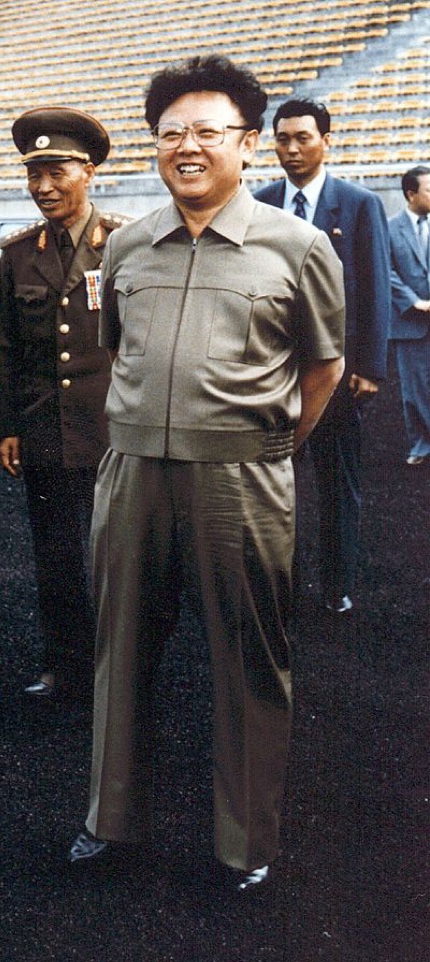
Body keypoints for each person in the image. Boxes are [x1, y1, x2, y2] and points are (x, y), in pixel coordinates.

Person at [68, 55, 345, 892]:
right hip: (132, 476)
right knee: (118, 652)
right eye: (170, 133)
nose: (187, 147)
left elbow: (324, 367)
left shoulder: (298, 247)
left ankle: (245, 841)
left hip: (240, 480)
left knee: (249, 660)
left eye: (207, 132)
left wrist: (268, 446)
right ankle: (111, 821)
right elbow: (119, 349)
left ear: (248, 143)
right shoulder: (126, 246)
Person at [0, 108, 121, 700]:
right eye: (33, 174)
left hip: (111, 430)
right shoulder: (20, 253)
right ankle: (66, 665)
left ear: (88, 172)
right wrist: (6, 427)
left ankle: (120, 668)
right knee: (57, 554)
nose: (43, 186)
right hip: (44, 430)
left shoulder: (124, 245)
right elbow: (6, 347)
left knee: (119, 558)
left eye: (56, 172)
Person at [255, 99, 390, 613]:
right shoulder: (261, 202)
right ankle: (277, 583)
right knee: (271, 485)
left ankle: (337, 586)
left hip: (337, 373)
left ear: (326, 142)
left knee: (337, 484)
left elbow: (373, 287)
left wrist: (370, 367)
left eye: (303, 138)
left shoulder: (358, 204)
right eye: (282, 139)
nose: (291, 149)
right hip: (272, 372)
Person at [387, 166, 430, 466]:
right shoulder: (390, 228)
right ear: (411, 194)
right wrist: (414, 302)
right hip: (409, 321)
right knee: (414, 389)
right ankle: (422, 444)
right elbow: (386, 270)